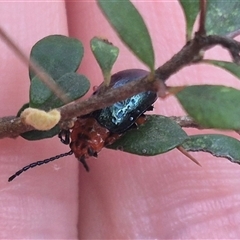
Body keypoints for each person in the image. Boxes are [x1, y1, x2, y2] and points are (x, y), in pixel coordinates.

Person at [1, 1, 240, 239]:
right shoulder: (89, 121)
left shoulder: (96, 122)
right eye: (88, 151)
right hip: (131, 91)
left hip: (134, 89)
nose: (81, 148)